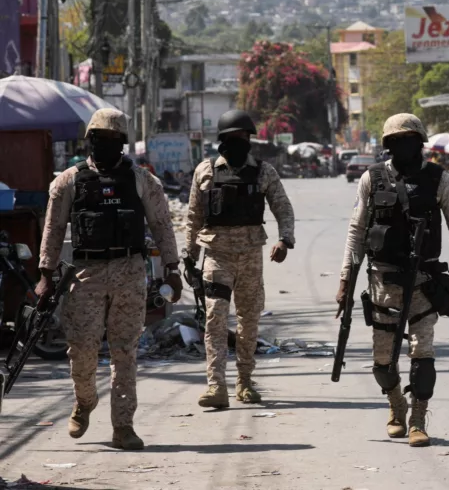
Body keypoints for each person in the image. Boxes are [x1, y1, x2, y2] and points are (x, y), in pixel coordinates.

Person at [337, 113, 449, 448]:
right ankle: (396, 405)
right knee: (382, 360)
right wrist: (346, 279)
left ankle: (418, 417)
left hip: (423, 280)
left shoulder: (438, 179)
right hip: (382, 281)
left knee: (423, 354)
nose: (404, 147)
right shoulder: (371, 179)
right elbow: (356, 231)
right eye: (397, 141)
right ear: (388, 145)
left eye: (410, 140)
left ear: (420, 143)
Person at [36, 109, 182, 450]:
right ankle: (85, 401)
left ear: (123, 144)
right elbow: (54, 229)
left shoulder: (142, 180)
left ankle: (123, 427)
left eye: (115, 141)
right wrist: (45, 274)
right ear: (90, 140)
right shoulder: (69, 181)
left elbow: (162, 226)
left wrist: (172, 270)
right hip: (86, 275)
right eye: (101, 139)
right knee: (82, 351)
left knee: (124, 353)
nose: (107, 146)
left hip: (129, 272)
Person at [185, 109, 295, 409]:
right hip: (216, 257)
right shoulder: (205, 171)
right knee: (215, 319)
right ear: (222, 140)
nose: (240, 142)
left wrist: (285, 239)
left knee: (249, 321)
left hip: (250, 258)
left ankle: (245, 382)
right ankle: (216, 386)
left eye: (245, 137)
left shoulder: (263, 172)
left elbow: (283, 208)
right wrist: (189, 257)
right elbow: (194, 216)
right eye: (235, 138)